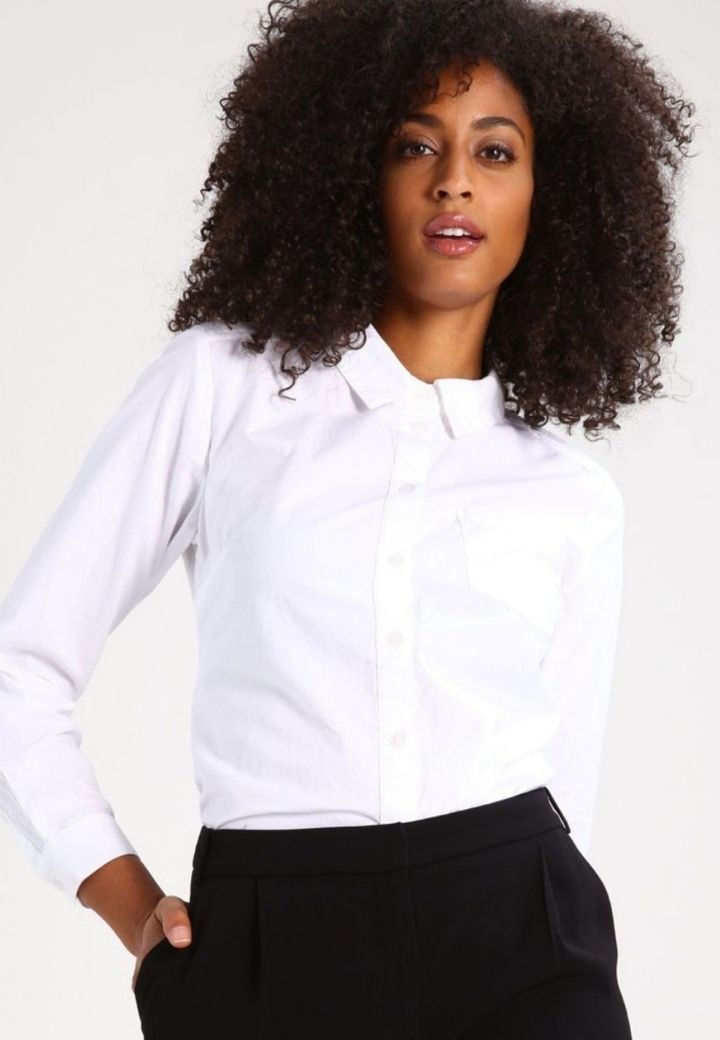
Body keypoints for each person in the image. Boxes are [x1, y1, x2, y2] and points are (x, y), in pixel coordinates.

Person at [0, 0, 697, 1036]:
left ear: (552, 193)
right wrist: (127, 899)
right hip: (272, 946)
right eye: (415, 143)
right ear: (350, 170)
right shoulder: (224, 388)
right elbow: (21, 665)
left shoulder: (569, 493)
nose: (454, 179)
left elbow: (569, 793)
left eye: (495, 151)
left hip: (523, 940)